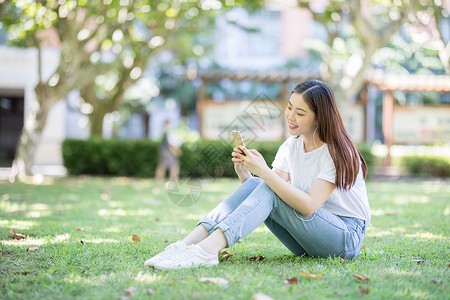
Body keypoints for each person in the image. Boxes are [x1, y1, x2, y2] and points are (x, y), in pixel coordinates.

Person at [145, 80, 370, 270]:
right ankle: (187, 244)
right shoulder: (291, 146)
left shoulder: (337, 151)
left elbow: (309, 205)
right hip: (308, 239)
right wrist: (245, 173)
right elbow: (265, 192)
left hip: (344, 239)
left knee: (267, 185)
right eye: (289, 107)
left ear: (320, 118)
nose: (290, 116)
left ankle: (207, 250)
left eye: (300, 113)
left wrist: (262, 170)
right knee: (260, 186)